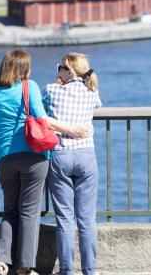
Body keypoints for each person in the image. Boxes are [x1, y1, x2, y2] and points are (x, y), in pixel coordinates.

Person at [0, 49, 87, 275]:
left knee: (10, 209)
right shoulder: (29, 87)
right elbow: (42, 119)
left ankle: (1, 262)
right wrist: (72, 129)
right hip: (34, 157)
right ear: (24, 69)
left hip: (6, 158)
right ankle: (25, 267)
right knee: (29, 212)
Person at [43, 53, 101, 275]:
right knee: (87, 220)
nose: (57, 70)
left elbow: (37, 114)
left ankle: (66, 271)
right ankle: (89, 270)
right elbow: (94, 107)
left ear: (68, 70)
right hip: (86, 155)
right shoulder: (92, 91)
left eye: (60, 67)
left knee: (65, 220)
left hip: (61, 155)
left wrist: (59, 83)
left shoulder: (51, 90)